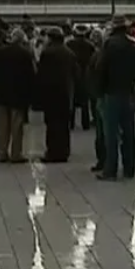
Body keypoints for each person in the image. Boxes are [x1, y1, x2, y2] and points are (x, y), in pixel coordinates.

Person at [96, 15, 135, 181]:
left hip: (111, 93)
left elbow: (101, 68)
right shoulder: (134, 44)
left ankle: (110, 169)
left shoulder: (109, 44)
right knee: (129, 133)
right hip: (128, 92)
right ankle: (129, 168)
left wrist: (100, 91)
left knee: (111, 134)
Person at [0, 28, 36, 163]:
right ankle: (16, 153)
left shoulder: (0, 52)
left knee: (2, 126)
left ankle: (2, 152)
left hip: (1, 94)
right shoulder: (25, 54)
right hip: (18, 95)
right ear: (22, 40)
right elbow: (30, 76)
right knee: (17, 126)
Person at [37, 27, 78, 163]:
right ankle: (64, 152)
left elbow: (41, 75)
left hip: (51, 94)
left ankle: (52, 152)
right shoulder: (70, 53)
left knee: (52, 125)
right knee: (64, 125)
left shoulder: (47, 53)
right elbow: (75, 74)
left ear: (51, 38)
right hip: (66, 94)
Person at [66, 25, 97, 130]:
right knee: (84, 102)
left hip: (72, 75)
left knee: (72, 100)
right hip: (85, 75)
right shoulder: (90, 46)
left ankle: (71, 123)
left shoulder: (69, 44)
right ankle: (85, 124)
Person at [87, 29, 107, 172]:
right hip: (118, 94)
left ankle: (102, 161)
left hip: (100, 95)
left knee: (101, 131)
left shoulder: (97, 55)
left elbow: (91, 75)